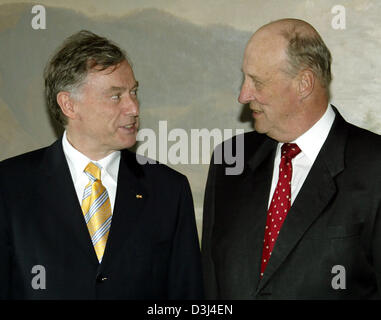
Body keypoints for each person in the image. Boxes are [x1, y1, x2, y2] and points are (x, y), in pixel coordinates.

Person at [0, 30, 203, 299]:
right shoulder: (10, 185)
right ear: (69, 105)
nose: (133, 108)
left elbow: (187, 296)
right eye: (116, 96)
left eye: (134, 92)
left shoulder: (168, 189)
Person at [201, 18, 381, 299]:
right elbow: (210, 286)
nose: (243, 95)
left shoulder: (374, 166)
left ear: (304, 84)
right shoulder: (229, 160)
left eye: (257, 82)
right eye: (244, 78)